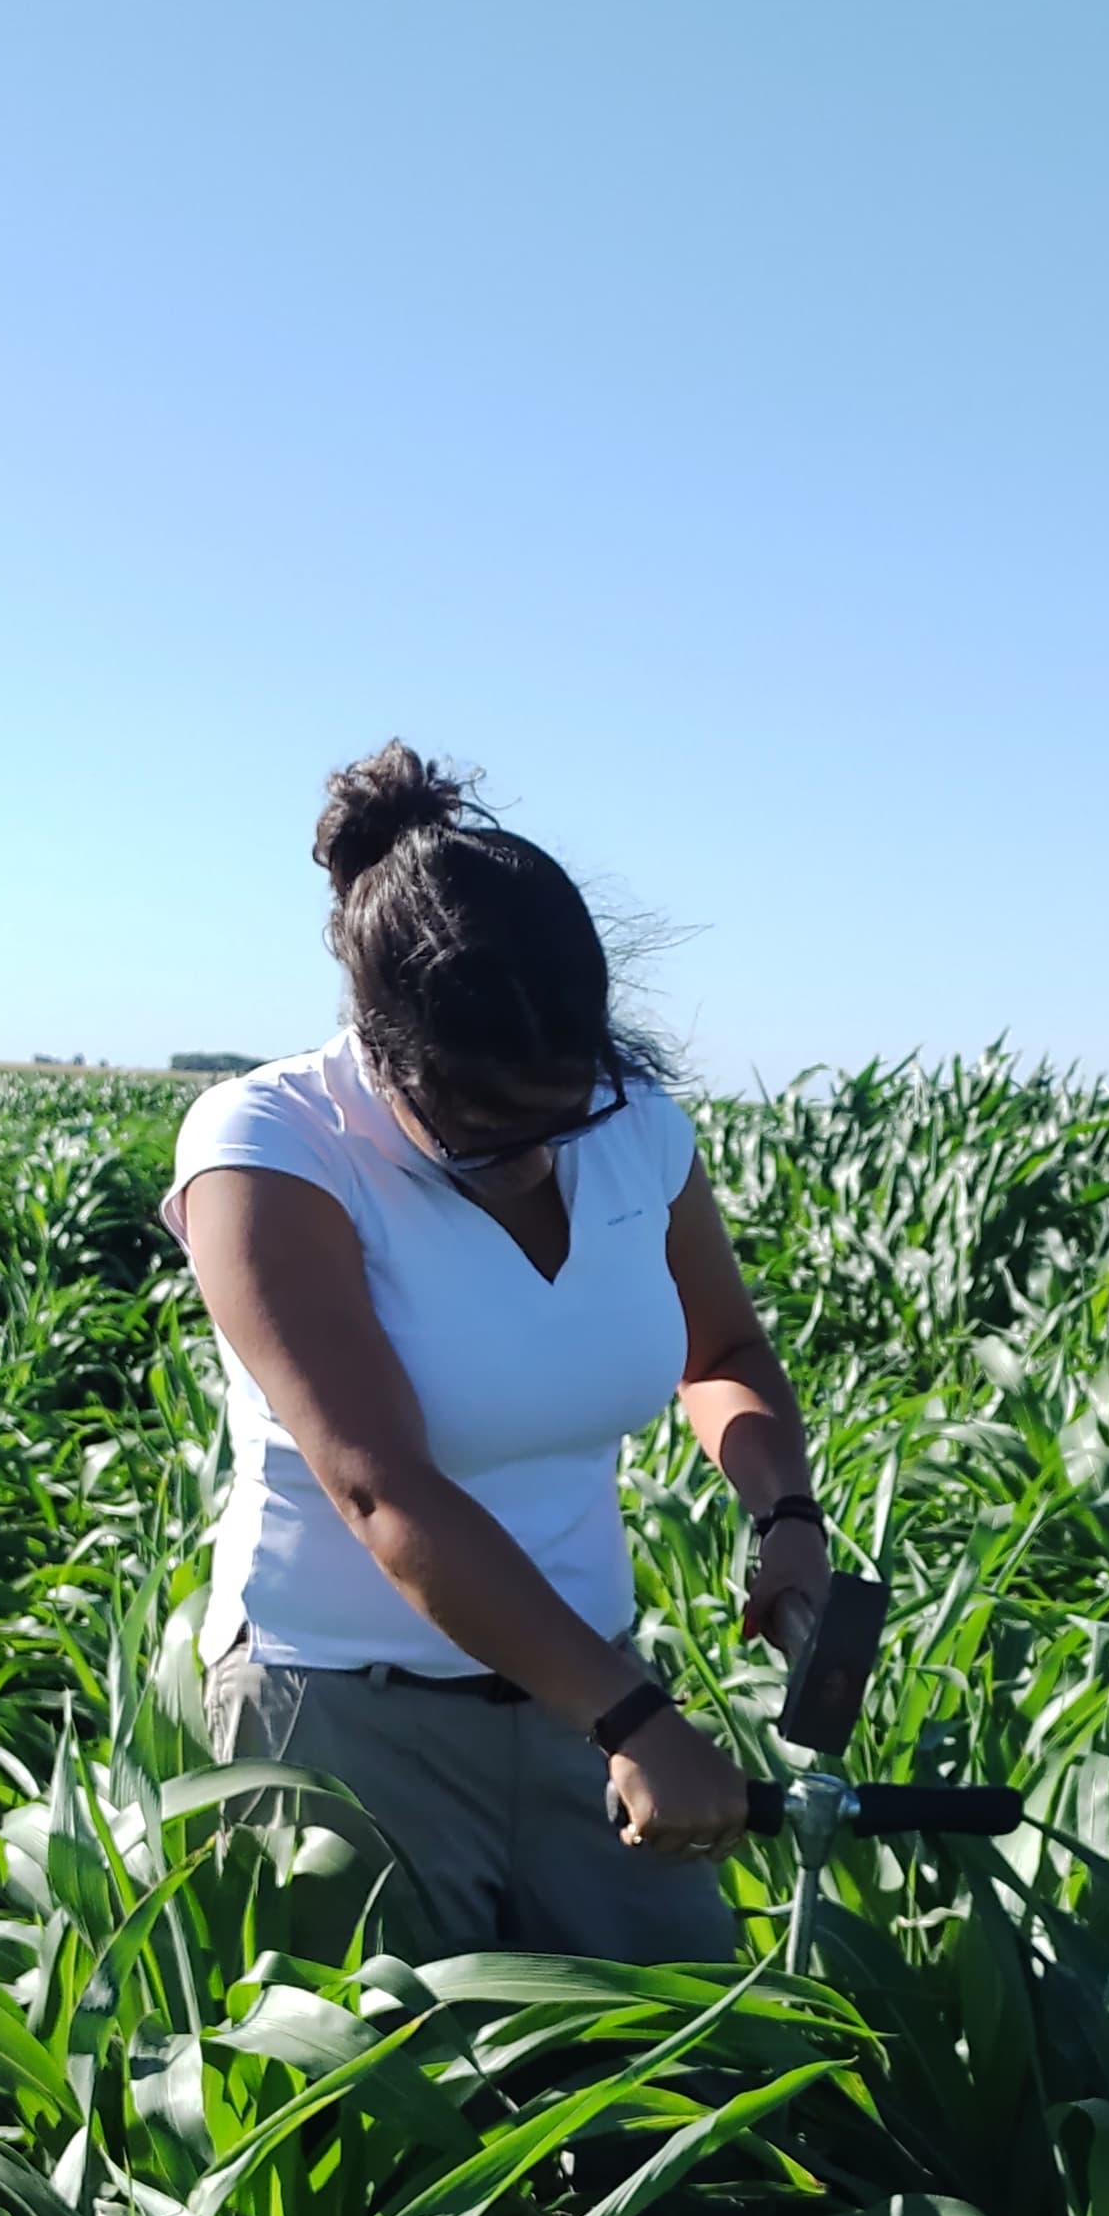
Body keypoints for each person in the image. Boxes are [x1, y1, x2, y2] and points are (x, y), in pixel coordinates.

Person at [163, 741, 830, 1960]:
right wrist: (632, 1719)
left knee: (683, 2070)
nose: (534, 1156)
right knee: (399, 2110)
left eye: (563, 1111)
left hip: (581, 1684)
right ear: (382, 1051)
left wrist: (784, 1513)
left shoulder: (638, 1132)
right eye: (482, 1134)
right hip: (346, 1713)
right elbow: (379, 1484)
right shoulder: (272, 1144)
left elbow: (720, 1348)